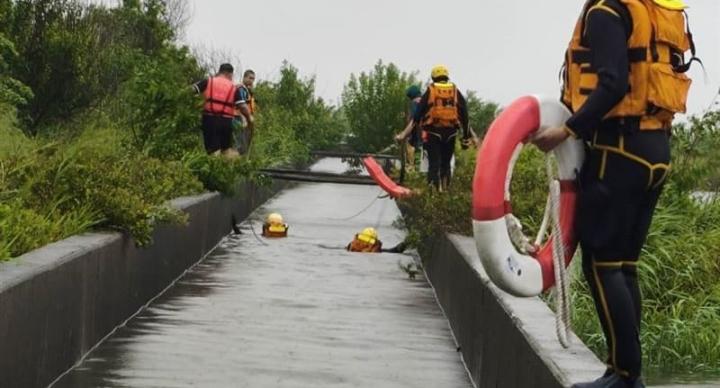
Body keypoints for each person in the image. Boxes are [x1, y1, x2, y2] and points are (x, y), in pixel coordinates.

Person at [531, 1, 697, 387]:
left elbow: (613, 83)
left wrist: (567, 130)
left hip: (618, 151)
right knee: (624, 265)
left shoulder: (606, 10)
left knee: (603, 264)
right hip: (655, 150)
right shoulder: (651, 9)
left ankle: (625, 377)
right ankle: (622, 370)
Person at [395, 65, 476, 191]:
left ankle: (433, 194)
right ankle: (445, 193)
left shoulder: (431, 90)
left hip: (433, 133)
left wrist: (403, 135)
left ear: (433, 77)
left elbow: (416, 118)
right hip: (451, 133)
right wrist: (466, 137)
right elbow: (464, 115)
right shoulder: (455, 91)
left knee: (434, 165)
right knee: (446, 165)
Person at [193, 63, 244, 158]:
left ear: (219, 71)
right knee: (226, 149)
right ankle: (237, 164)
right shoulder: (233, 87)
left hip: (209, 119)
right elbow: (243, 106)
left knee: (213, 150)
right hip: (226, 121)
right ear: (230, 74)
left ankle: (215, 169)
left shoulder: (208, 81)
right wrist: (249, 118)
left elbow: (191, 90)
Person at [234, 69, 257, 154]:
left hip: (246, 120)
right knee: (239, 145)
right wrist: (244, 120)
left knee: (245, 146)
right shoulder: (240, 89)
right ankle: (234, 163)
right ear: (244, 77)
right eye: (250, 78)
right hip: (239, 119)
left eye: (253, 79)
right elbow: (241, 106)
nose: (251, 81)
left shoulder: (247, 90)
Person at [404, 84, 424, 171]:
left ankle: (414, 173)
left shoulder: (415, 103)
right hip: (432, 136)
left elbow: (414, 120)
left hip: (419, 137)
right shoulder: (426, 102)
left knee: (418, 159)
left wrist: (405, 135)